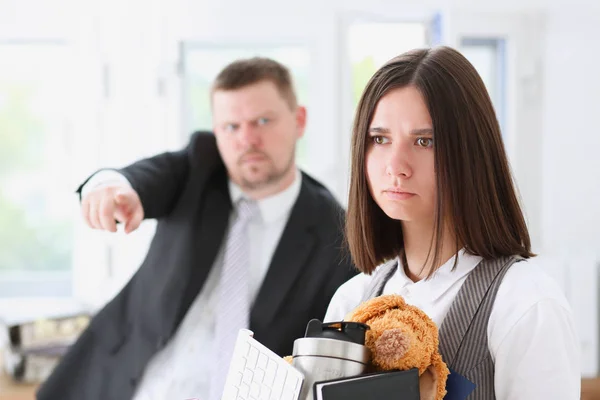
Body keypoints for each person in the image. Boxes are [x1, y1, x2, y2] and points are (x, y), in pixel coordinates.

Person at [37, 57, 357, 400]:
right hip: (119, 385)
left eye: (263, 121)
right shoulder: (198, 169)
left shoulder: (334, 232)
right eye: (231, 127)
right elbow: (142, 177)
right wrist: (108, 187)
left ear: (299, 120)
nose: (247, 139)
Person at [324, 46, 580, 399]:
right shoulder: (350, 301)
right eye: (380, 139)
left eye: (425, 141)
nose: (396, 166)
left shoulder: (526, 304)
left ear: (471, 154)